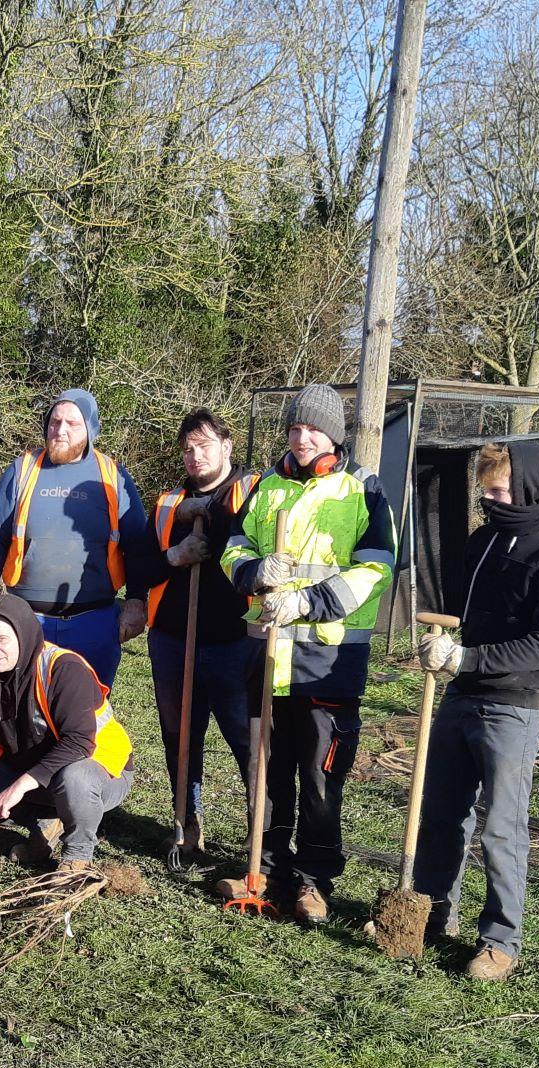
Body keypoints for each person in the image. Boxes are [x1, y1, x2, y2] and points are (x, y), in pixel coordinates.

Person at [217, 383, 394, 924]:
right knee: (266, 769)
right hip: (266, 658)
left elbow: (377, 567)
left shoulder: (361, 489)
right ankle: (264, 867)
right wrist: (253, 571)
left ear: (333, 435)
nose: (300, 438)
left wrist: (309, 602)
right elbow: (233, 547)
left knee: (320, 775)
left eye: (311, 429)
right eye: (294, 428)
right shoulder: (266, 486)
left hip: (328, 662)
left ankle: (314, 881)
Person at [412, 440, 539, 981]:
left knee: (502, 828)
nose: (491, 501)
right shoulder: (484, 540)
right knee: (441, 813)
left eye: (501, 491)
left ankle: (501, 941)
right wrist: (443, 649)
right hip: (463, 694)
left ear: (531, 489)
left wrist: (467, 657)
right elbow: (464, 612)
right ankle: (431, 913)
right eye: (485, 492)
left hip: (513, 705)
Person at [121, 408, 264, 858]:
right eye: (187, 448)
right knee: (178, 735)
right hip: (172, 639)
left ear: (226, 446)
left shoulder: (252, 490)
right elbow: (139, 567)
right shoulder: (166, 504)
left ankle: (260, 828)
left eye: (203, 445)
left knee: (247, 736)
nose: (195, 455)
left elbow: (244, 530)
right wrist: (175, 556)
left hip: (235, 641)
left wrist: (207, 509)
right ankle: (188, 821)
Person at [0, 388, 150, 686]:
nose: (60, 430)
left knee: (86, 714)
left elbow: (137, 545)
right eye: (55, 422)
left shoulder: (112, 476)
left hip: (94, 621)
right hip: (26, 620)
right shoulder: (22, 470)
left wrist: (135, 602)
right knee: (25, 713)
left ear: (90, 429)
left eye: (72, 424)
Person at [0, 591, 135, 871]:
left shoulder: (63, 669)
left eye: (2, 639)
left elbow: (79, 743)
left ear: (24, 634)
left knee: (74, 777)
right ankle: (43, 827)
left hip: (100, 771)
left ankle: (77, 856)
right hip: (40, 770)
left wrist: (20, 786)